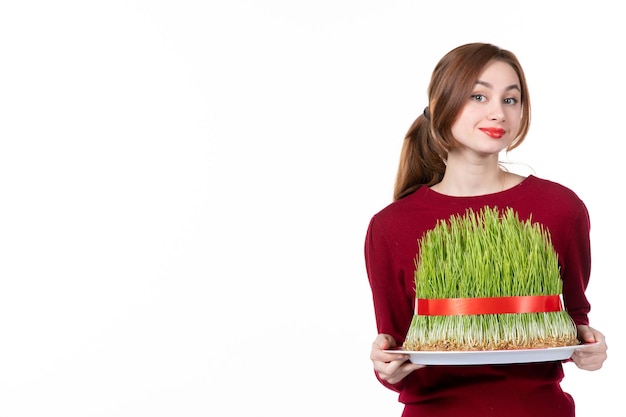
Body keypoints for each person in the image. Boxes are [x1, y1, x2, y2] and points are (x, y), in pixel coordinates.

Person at [364, 42, 608, 417]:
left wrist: (589, 348)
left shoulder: (560, 209)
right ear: (443, 104)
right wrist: (386, 365)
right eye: (479, 96)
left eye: (511, 100)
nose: (498, 113)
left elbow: (574, 320)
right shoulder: (391, 226)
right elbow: (395, 347)